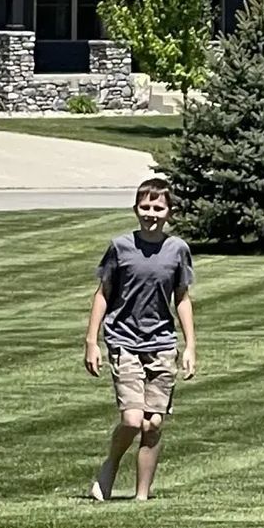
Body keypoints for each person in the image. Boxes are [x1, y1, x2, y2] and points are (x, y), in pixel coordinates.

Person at [84, 177, 196, 502]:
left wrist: (190, 345)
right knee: (133, 420)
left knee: (154, 423)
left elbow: (183, 298)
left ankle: (142, 497)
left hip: (161, 344)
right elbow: (103, 294)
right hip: (124, 340)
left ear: (169, 212)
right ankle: (110, 466)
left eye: (158, 207)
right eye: (144, 206)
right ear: (135, 209)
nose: (151, 213)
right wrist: (92, 340)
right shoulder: (120, 247)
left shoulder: (178, 250)